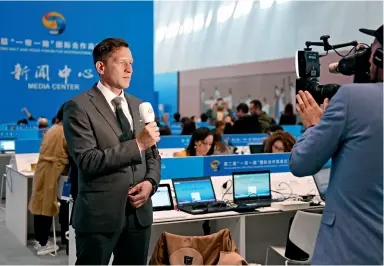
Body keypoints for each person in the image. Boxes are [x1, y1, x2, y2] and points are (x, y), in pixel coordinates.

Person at [289, 25, 383, 265]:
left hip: (350, 252)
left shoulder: (353, 100)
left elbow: (301, 163)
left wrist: (313, 126)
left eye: (372, 51)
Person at [63, 38, 161, 265]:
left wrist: (150, 183)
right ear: (101, 67)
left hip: (138, 214)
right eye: (122, 63)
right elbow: (88, 161)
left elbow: (153, 156)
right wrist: (137, 145)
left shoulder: (138, 105)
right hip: (100, 216)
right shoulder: (79, 107)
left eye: (132, 63)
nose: (130, 69)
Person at [28, 104, 68, 255]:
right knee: (52, 208)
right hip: (58, 177)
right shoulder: (65, 132)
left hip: (47, 174)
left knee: (42, 207)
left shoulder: (52, 130)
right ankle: (45, 243)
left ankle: (41, 241)